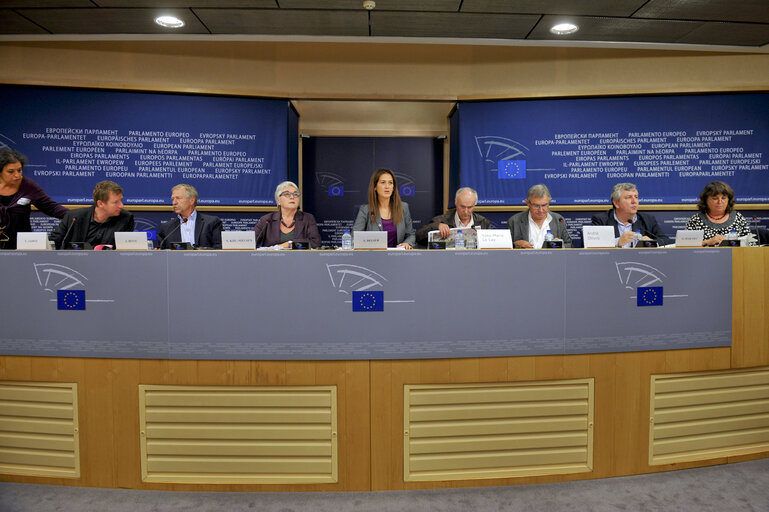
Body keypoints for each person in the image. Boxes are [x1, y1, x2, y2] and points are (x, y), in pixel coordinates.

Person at [0, 149, 67, 249]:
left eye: (19, 170)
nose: (17, 175)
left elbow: (52, 208)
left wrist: (78, 216)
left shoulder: (28, 186)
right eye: (11, 172)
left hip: (23, 245)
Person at [50, 180, 134, 249]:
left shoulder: (126, 219)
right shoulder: (74, 217)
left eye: (121, 200)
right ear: (100, 203)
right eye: (116, 202)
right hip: (74, 264)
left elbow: (125, 251)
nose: (121, 205)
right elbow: (53, 243)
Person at [353, 168, 415, 249]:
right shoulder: (366, 209)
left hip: (397, 257)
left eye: (390, 183)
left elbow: (410, 234)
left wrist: (407, 243)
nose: (387, 187)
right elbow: (355, 237)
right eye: (383, 183)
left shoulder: (403, 207)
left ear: (393, 187)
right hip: (373, 257)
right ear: (375, 187)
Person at [591, 183, 671, 247]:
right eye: (629, 197)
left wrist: (651, 243)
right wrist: (617, 242)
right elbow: (589, 243)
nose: (634, 201)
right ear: (616, 203)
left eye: (636, 197)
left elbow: (665, 241)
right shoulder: (601, 220)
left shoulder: (648, 220)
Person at [253, 181, 321, 248]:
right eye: (287, 194)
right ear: (278, 200)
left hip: (299, 258)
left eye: (295, 194)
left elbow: (315, 243)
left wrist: (289, 244)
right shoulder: (266, 220)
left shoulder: (307, 218)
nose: (292, 197)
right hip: (272, 258)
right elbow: (252, 243)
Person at [415, 187, 492, 246]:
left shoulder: (483, 222)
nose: (465, 211)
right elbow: (418, 236)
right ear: (456, 202)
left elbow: (491, 245)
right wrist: (436, 226)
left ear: (475, 205)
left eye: (469, 207)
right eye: (462, 206)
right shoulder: (441, 220)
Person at [157, 184, 222, 249]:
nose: (174, 203)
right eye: (172, 199)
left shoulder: (211, 223)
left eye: (178, 198)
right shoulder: (167, 228)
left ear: (191, 200)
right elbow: (162, 252)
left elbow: (219, 249)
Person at [685, 181, 751, 246]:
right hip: (705, 256)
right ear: (706, 200)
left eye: (723, 198)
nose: (720, 202)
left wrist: (729, 242)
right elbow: (685, 245)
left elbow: (749, 244)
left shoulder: (738, 218)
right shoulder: (695, 220)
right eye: (715, 198)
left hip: (734, 256)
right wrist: (707, 242)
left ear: (729, 200)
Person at [507, 184, 572, 248]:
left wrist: (560, 245)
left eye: (544, 205)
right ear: (527, 203)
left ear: (549, 202)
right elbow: (504, 248)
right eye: (536, 206)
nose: (541, 210)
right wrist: (515, 245)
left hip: (552, 258)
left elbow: (570, 245)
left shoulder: (558, 220)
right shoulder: (514, 221)